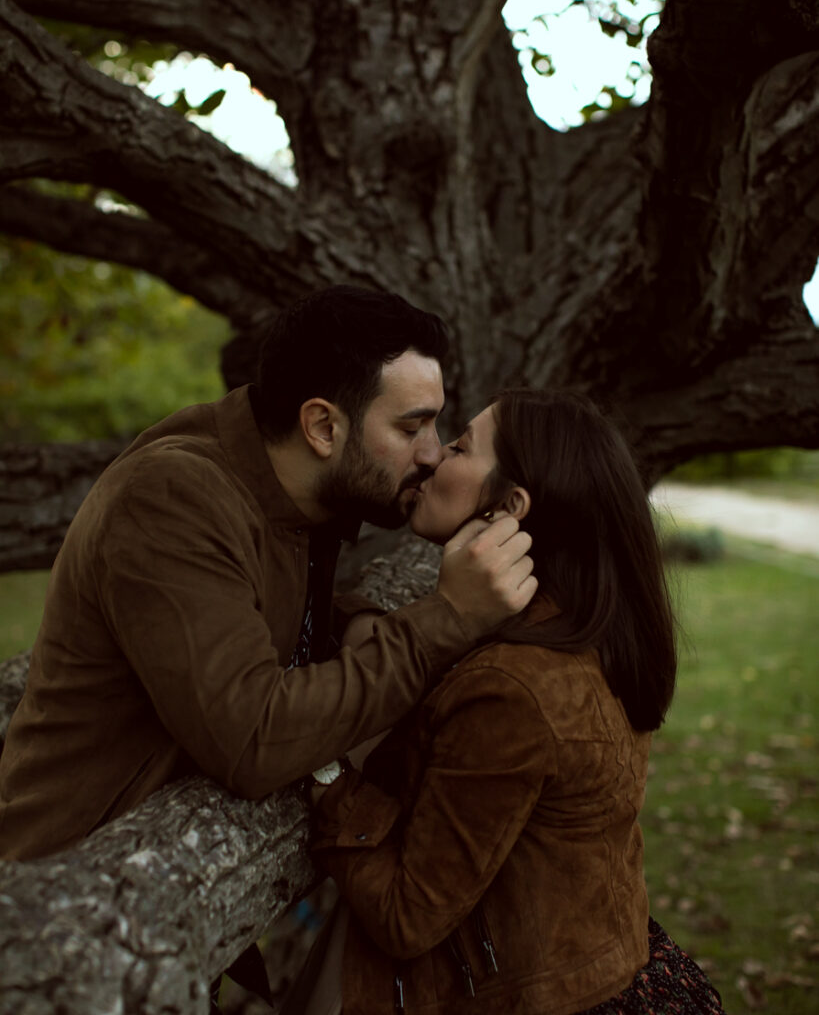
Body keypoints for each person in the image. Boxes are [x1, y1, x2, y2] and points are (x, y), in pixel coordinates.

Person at [0, 285, 537, 863]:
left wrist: (349, 621)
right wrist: (446, 620)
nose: (432, 454)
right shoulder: (171, 499)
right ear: (323, 428)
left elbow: (247, 607)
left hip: (171, 875)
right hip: (65, 897)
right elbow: (251, 740)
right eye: (412, 429)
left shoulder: (296, 488)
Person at [304, 388, 726, 1015]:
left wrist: (320, 764)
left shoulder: (511, 688)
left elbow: (405, 914)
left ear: (509, 507)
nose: (431, 456)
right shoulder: (584, 632)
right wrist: (375, 622)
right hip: (609, 969)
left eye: (460, 446)